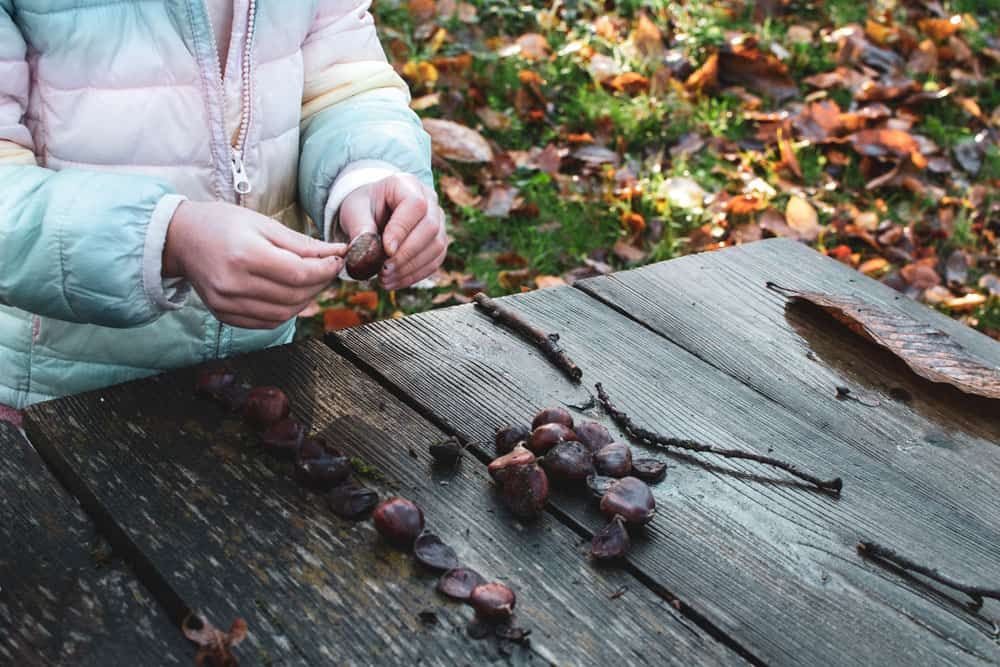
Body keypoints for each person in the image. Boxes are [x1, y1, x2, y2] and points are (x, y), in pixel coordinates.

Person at [0, 0, 446, 417]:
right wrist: (163, 240)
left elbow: (341, 79)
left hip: (258, 369)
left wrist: (364, 175)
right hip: (49, 395)